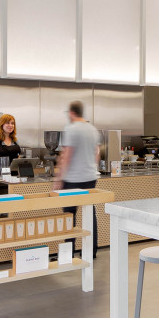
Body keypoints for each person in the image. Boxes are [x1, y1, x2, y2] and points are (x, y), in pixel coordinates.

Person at [54, 101, 101, 258]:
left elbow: (66, 155)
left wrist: (59, 178)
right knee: (90, 213)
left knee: (69, 215)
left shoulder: (71, 129)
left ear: (72, 113)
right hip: (90, 178)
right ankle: (91, 251)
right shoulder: (92, 129)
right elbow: (97, 154)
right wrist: (91, 168)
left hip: (73, 179)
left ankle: (67, 254)